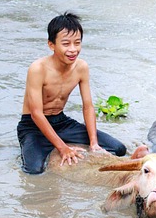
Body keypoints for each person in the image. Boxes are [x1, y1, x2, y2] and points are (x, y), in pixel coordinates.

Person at [16, 12, 131, 174]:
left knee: (118, 149)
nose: (73, 50)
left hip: (62, 122)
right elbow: (36, 114)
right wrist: (63, 148)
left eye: (77, 43)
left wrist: (94, 143)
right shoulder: (38, 69)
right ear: (51, 45)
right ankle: (35, 148)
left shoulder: (81, 67)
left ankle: (68, 144)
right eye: (66, 44)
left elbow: (88, 106)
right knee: (33, 170)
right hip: (33, 126)